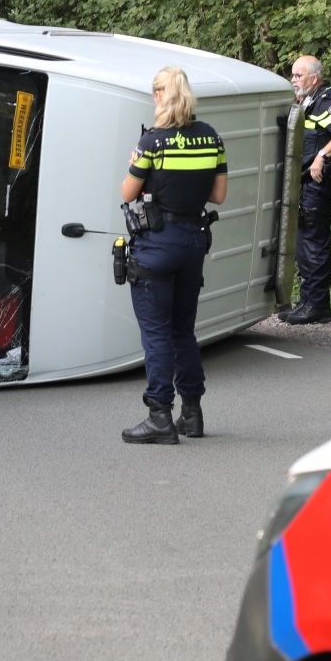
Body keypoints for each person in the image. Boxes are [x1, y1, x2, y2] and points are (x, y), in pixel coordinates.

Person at [119, 66, 228, 445]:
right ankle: (192, 414)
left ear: (162, 95)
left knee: (156, 333)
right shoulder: (211, 138)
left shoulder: (152, 142)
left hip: (157, 245)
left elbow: (127, 192)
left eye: (155, 93)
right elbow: (218, 196)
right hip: (194, 242)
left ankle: (160, 417)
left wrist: (139, 158)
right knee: (183, 330)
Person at [278, 55, 331, 325]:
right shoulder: (308, 102)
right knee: (304, 244)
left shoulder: (326, 101)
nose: (294, 80)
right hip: (305, 185)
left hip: (318, 185)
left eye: (298, 76)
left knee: (314, 244)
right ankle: (307, 301)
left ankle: (318, 305)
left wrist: (322, 155)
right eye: (293, 75)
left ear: (314, 78)